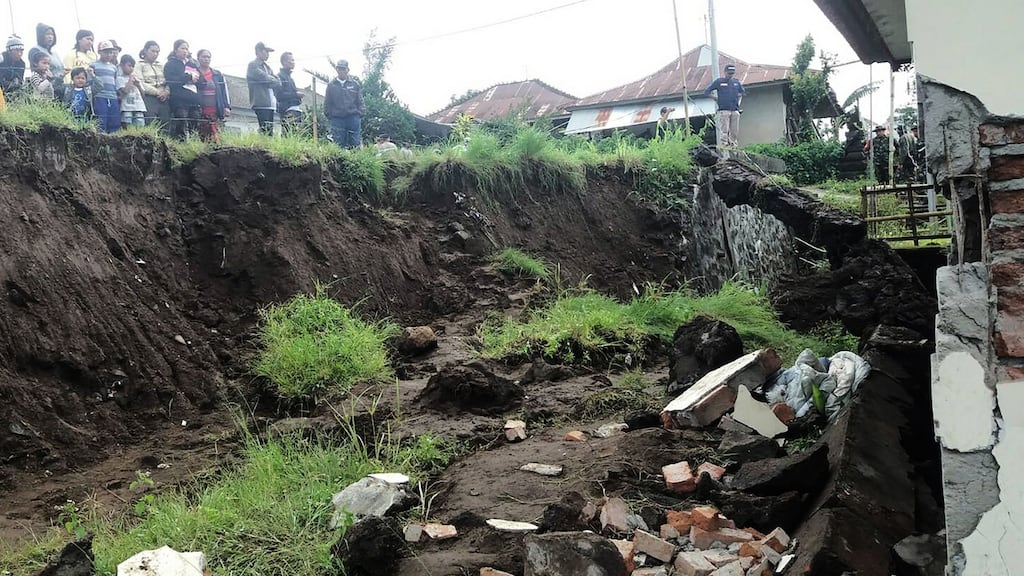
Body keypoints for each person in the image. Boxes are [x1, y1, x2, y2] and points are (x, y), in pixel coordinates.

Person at [164, 39, 201, 139]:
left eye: (187, 49)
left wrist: (196, 79)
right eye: (182, 48)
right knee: (181, 123)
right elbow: (171, 80)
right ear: (176, 50)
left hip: (193, 100)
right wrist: (188, 77)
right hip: (179, 100)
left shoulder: (192, 64)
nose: (185, 51)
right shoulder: (170, 64)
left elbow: (202, 80)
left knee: (195, 124)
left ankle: (194, 146)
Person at [324, 59, 364, 148]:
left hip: (353, 117)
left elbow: (360, 101)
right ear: (336, 69)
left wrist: (359, 114)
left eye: (343, 69)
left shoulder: (355, 84)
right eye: (339, 68)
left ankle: (355, 161)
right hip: (337, 119)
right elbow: (327, 102)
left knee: (355, 143)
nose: (341, 71)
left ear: (347, 70)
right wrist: (330, 116)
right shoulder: (331, 85)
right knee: (338, 144)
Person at [703, 63, 745, 147]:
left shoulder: (736, 82)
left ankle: (733, 145)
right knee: (724, 130)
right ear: (725, 72)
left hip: (735, 109)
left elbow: (742, 92)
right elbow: (706, 91)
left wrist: (738, 99)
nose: (730, 75)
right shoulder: (719, 81)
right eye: (729, 73)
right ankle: (724, 144)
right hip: (724, 109)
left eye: (732, 73)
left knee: (734, 130)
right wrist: (715, 98)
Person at [195, 49, 230, 142]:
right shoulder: (194, 73)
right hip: (200, 110)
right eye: (204, 57)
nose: (206, 59)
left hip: (215, 109)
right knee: (202, 137)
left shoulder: (217, 74)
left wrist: (226, 107)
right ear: (198, 58)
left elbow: (223, 91)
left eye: (208, 57)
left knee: (218, 137)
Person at [246, 41, 280, 136]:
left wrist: (272, 80)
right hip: (261, 102)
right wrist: (272, 80)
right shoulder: (253, 65)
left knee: (270, 130)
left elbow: (278, 82)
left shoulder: (267, 67)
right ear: (258, 51)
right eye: (266, 51)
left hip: (271, 103)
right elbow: (265, 78)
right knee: (265, 129)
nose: (268, 54)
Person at [88, 40, 121, 133]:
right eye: (106, 52)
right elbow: (90, 82)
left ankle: (113, 141)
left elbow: (116, 82)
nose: (108, 54)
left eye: (111, 52)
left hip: (113, 97)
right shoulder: (94, 65)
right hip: (100, 96)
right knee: (101, 120)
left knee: (114, 121)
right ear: (99, 52)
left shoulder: (113, 67)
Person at [137, 41, 170, 128]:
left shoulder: (160, 65)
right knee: (151, 122)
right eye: (153, 51)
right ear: (145, 51)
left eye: (157, 52)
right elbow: (140, 82)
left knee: (165, 123)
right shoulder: (139, 65)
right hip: (149, 97)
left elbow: (168, 81)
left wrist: (166, 91)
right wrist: (157, 92)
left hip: (164, 98)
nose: (155, 54)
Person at [28, 23, 66, 99]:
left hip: (59, 85)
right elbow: (37, 71)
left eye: (52, 34)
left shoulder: (55, 53)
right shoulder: (35, 50)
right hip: (45, 90)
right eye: (47, 34)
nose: (50, 37)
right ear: (41, 35)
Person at [275, 51, 304, 135]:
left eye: (293, 60)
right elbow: (279, 95)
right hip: (287, 110)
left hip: (295, 108)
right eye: (291, 60)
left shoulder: (290, 78)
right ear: (284, 62)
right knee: (288, 133)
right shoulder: (280, 76)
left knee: (295, 134)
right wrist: (295, 95)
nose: (293, 62)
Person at [117, 54, 146, 128]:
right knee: (127, 126)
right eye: (129, 66)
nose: (131, 68)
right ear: (122, 65)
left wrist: (138, 85)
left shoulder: (136, 78)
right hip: (127, 107)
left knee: (140, 125)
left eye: (133, 66)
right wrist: (130, 80)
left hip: (139, 107)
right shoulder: (120, 78)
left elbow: (143, 94)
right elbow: (125, 91)